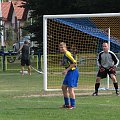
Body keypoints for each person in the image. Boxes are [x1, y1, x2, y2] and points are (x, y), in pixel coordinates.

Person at [59, 42, 79, 109]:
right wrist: (62, 63)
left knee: (70, 89)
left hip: (73, 72)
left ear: (65, 47)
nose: (61, 48)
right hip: (69, 72)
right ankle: (67, 104)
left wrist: (66, 70)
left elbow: (74, 63)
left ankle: (73, 105)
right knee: (64, 87)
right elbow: (68, 62)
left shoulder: (67, 54)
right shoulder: (64, 54)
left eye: (62, 47)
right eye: (60, 47)